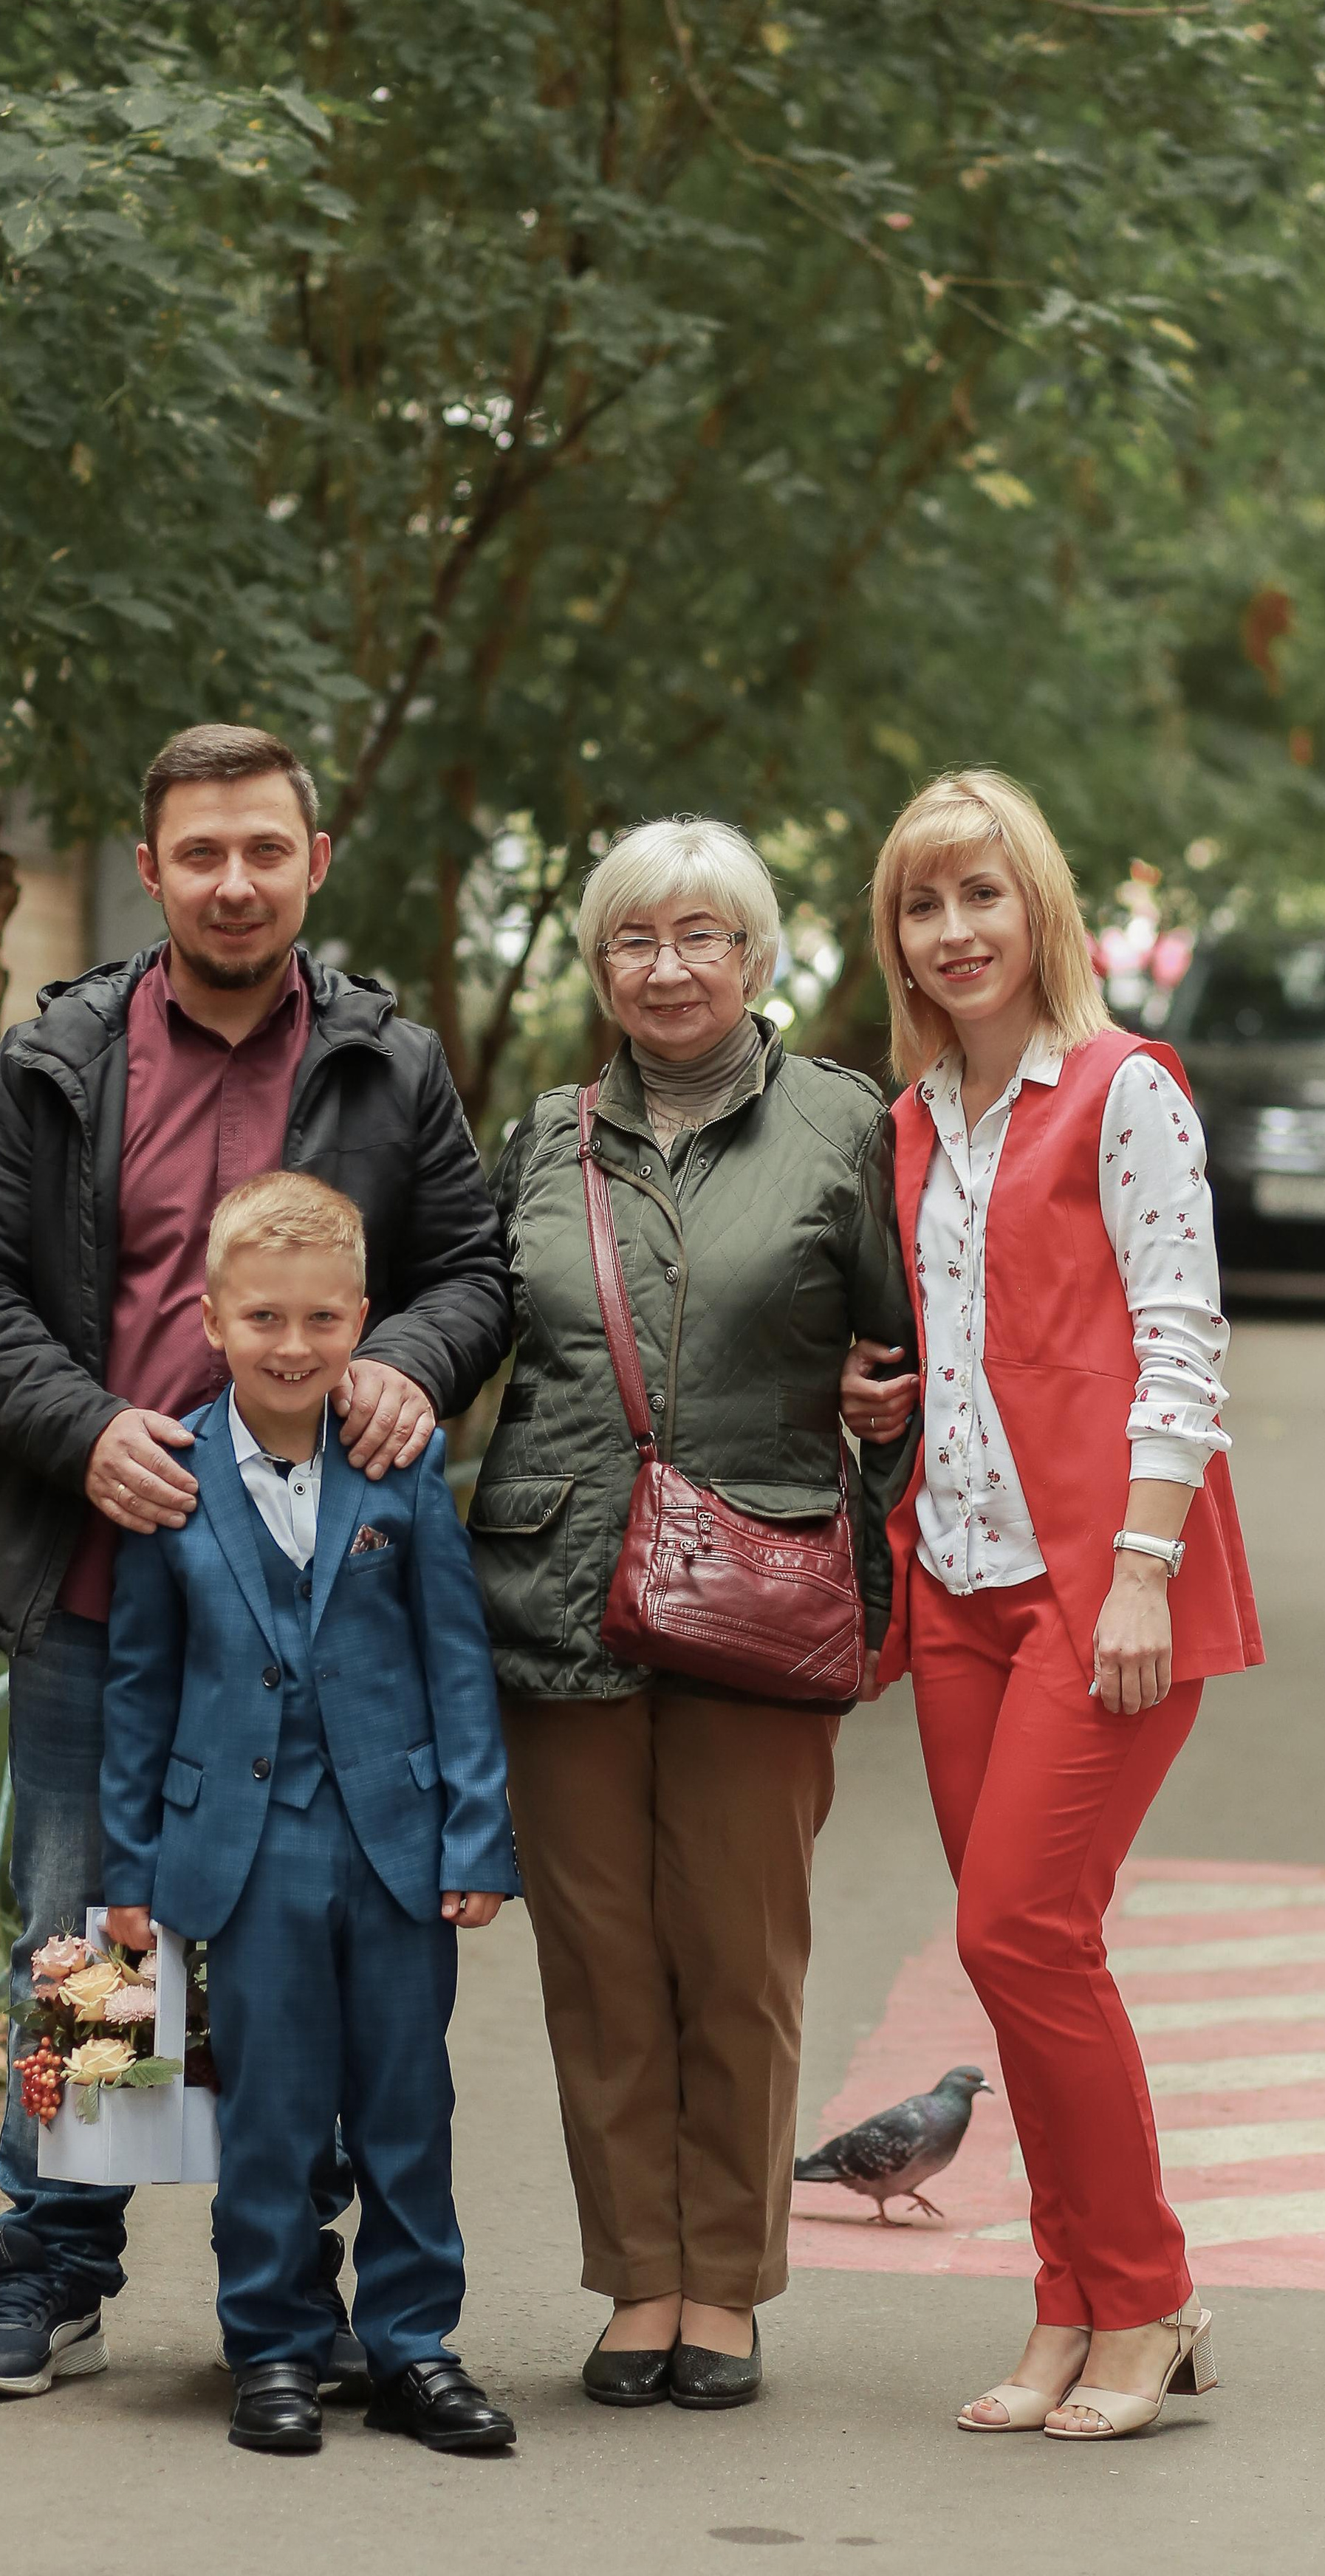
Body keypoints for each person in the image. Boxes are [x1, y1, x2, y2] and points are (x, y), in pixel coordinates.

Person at [0, 724, 511, 2399]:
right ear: (150, 866)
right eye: (201, 853)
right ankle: (57, 2273)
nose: (234, 880)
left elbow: (470, 1268)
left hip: (329, 1613)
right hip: (107, 1577)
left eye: (265, 848)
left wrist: (405, 1356)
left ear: (314, 861)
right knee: (101, 1951)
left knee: (301, 1955)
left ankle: (301, 2303)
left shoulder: (387, 1066)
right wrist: (81, 1425)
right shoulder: (62, 1059)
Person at [470, 816, 916, 2414]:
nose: (666, 970)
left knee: (734, 1955)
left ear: (755, 956)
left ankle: (721, 2283)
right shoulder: (541, 1138)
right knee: (597, 1961)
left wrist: (885, 1422)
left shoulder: (844, 1131)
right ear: (600, 969)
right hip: (557, 1600)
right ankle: (634, 2280)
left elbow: (913, 1346)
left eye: (698, 938)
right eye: (633, 944)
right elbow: (469, 1326)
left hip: (761, 1595)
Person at [841, 767, 1261, 2445]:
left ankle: (1142, 2296)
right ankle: (1069, 2300)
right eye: (919, 906)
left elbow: (1179, 1333)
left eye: (979, 896)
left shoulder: (1120, 1089)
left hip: (1102, 1586)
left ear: (1039, 911)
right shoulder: (907, 1118)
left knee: (1012, 1928)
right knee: (1028, 1961)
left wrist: (1143, 1566)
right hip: (956, 1582)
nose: (952, 932)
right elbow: (975, 1331)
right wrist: (895, 1403)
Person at [103, 1173, 520, 2457]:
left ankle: (413, 2346)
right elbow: (139, 1686)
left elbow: (457, 1662)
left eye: (322, 1322)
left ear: (362, 1320)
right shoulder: (170, 1475)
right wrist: (129, 1868)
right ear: (213, 1322)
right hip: (243, 1852)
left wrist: (477, 1835)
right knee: (273, 2116)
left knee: (408, 2104)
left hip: (395, 1844)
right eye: (265, 1321)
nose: (294, 1348)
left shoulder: (400, 1464)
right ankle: (275, 2344)